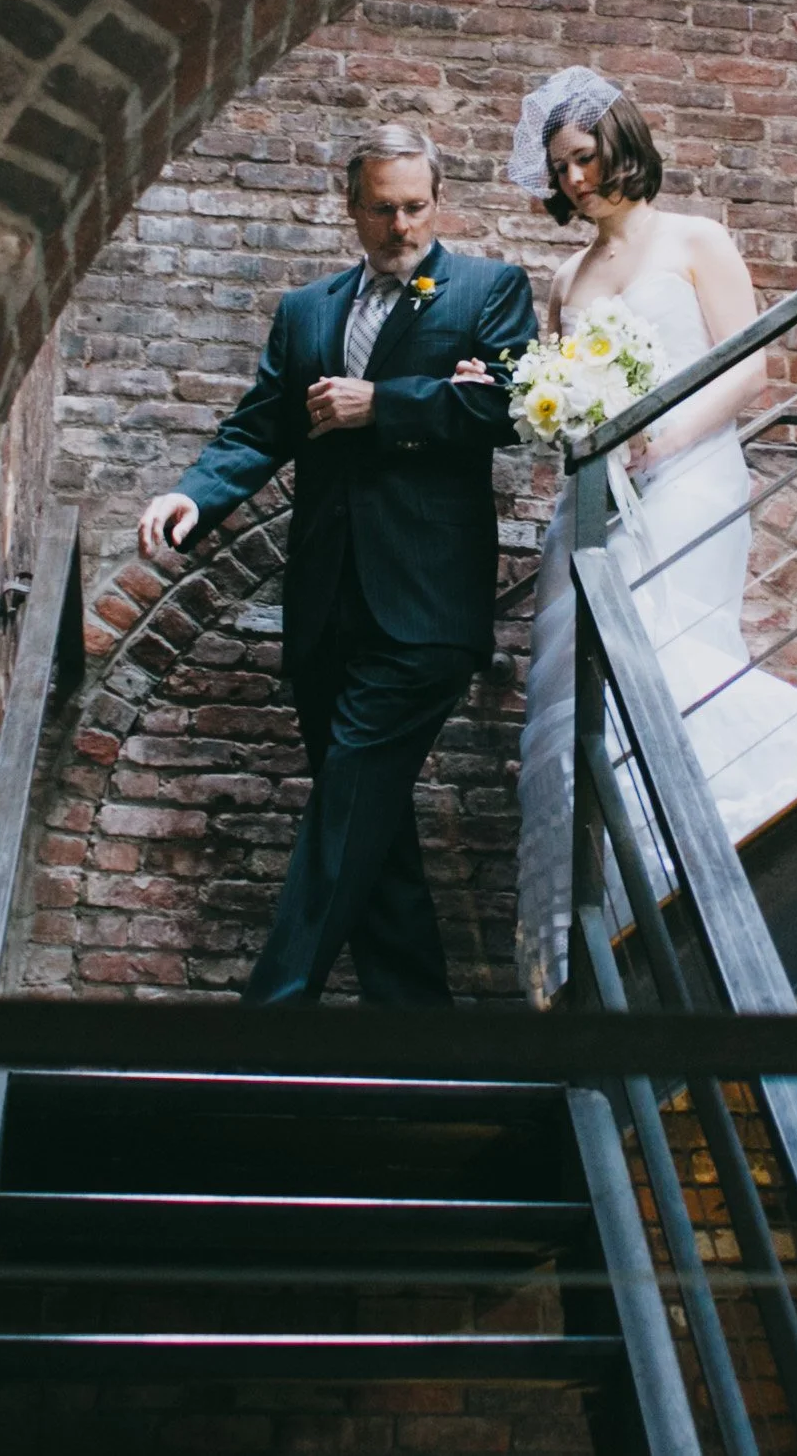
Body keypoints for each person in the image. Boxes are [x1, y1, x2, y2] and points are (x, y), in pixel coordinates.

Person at [139, 123, 538, 1005]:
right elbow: (258, 427)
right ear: (350, 206)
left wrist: (382, 404)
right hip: (325, 606)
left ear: (437, 201)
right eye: (384, 209)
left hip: (425, 607)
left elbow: (515, 407)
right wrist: (192, 496)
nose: (403, 227)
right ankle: (418, 1040)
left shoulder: (487, 289)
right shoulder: (307, 311)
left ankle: (266, 1020)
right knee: (370, 825)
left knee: (347, 809)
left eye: (417, 207)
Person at [498, 68, 797, 1005]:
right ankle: (636, 881)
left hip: (694, 474)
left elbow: (749, 368)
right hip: (600, 497)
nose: (575, 181)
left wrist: (661, 436)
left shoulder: (696, 238)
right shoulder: (565, 276)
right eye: (561, 169)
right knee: (596, 672)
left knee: (676, 647)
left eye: (584, 158)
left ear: (621, 143)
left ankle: (752, 812)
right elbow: (564, 387)